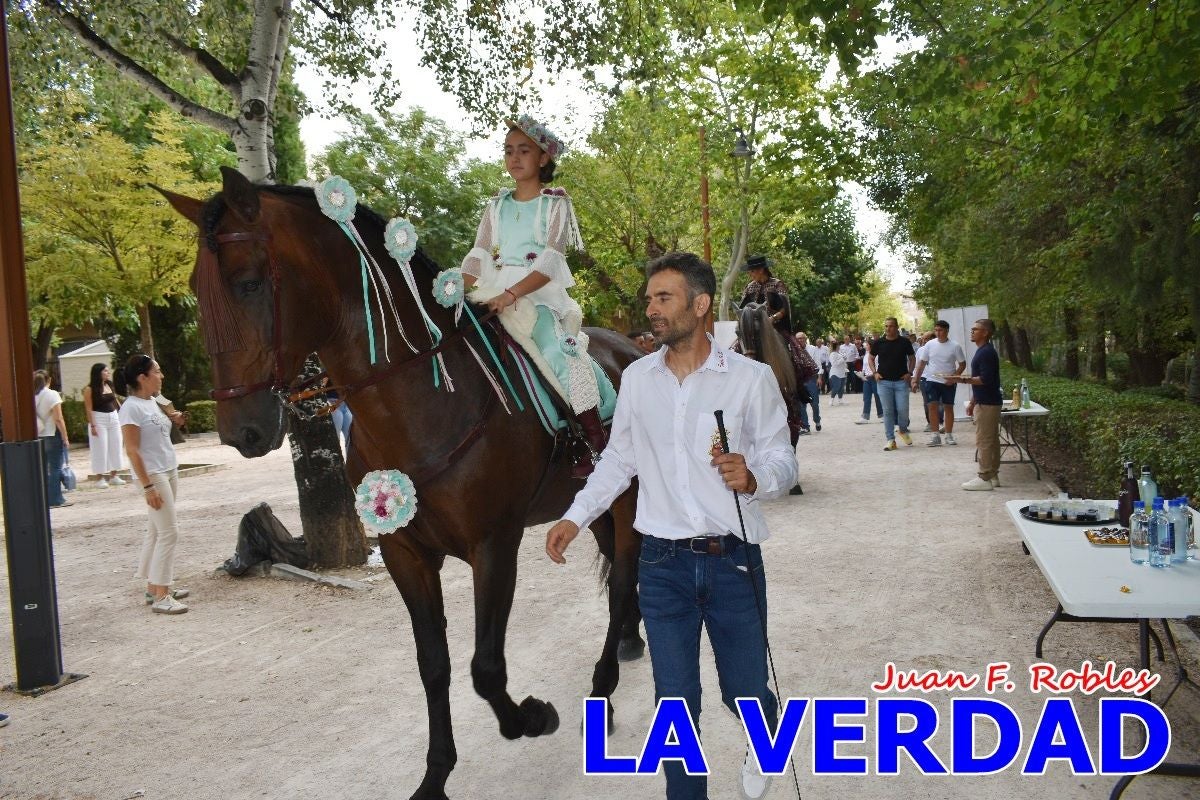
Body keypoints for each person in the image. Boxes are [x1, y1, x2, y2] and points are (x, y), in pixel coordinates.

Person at [546, 251, 797, 800]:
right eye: (650, 298)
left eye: (664, 298)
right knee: (675, 707)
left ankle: (766, 734)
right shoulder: (637, 379)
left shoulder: (750, 380)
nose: (651, 309)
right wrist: (574, 516)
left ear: (700, 305)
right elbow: (618, 460)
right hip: (661, 565)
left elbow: (783, 458)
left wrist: (754, 478)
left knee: (745, 694)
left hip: (733, 560)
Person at [459, 115, 607, 476]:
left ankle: (594, 440)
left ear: (543, 158)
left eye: (524, 150)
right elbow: (478, 255)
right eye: (509, 150)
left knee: (561, 353)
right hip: (494, 290)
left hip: (536, 294)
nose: (514, 158)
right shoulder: (496, 206)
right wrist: (456, 289)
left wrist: (511, 295)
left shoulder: (555, 204)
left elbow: (551, 262)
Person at [120, 355, 189, 614]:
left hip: (169, 469)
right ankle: (162, 596)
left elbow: (167, 421)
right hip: (153, 476)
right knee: (170, 532)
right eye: (157, 371)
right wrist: (147, 487)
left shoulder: (155, 401)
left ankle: (153, 588)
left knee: (157, 531)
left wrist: (177, 418)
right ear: (142, 377)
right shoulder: (130, 408)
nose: (162, 376)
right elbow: (132, 451)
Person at [952, 320, 1002, 490]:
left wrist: (960, 379)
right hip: (985, 400)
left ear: (986, 333)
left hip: (988, 403)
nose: (972, 332)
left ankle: (984, 477)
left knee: (984, 440)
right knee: (992, 440)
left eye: (975, 329)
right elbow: (982, 380)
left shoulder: (986, 352)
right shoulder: (983, 351)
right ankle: (993, 475)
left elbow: (985, 380)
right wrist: (973, 401)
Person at [912, 321, 965, 447]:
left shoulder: (955, 346)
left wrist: (953, 377)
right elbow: (922, 363)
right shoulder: (929, 345)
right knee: (932, 407)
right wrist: (915, 380)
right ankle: (935, 435)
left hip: (948, 382)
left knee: (948, 407)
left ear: (947, 331)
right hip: (931, 380)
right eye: (936, 330)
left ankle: (949, 434)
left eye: (940, 330)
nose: (938, 333)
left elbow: (962, 364)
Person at [871, 317, 916, 450]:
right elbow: (871, 358)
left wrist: (910, 372)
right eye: (886, 326)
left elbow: (912, 358)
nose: (888, 329)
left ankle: (902, 429)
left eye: (890, 326)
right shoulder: (879, 342)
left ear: (896, 327)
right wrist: (875, 373)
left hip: (901, 381)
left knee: (903, 410)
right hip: (883, 382)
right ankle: (891, 440)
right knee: (888, 411)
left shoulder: (904, 342)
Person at [83, 363, 125, 488]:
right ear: (98, 373)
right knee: (100, 448)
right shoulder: (89, 389)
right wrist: (92, 425)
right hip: (98, 418)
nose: (108, 373)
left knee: (116, 445)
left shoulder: (109, 384)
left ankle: (114, 475)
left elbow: (115, 400)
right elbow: (88, 408)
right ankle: (100, 478)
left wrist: (121, 412)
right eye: (105, 371)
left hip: (113, 417)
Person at [33, 370, 71, 508]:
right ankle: (55, 499)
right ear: (47, 380)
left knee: (42, 469)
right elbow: (58, 418)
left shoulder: (31, 395)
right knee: (55, 468)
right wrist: (65, 436)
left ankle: (42, 499)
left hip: (37, 434)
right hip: (52, 433)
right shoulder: (52, 394)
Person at [739, 255, 790, 336]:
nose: (749, 274)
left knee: (794, 347)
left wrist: (772, 318)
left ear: (761, 270)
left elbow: (784, 308)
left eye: (752, 271)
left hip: (777, 327)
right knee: (738, 347)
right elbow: (742, 310)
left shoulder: (777, 284)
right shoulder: (749, 287)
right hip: (753, 328)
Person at [793, 332, 822, 432]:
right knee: (801, 404)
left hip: (811, 379)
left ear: (805, 339)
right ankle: (805, 426)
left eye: (801, 338)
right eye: (798, 339)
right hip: (800, 380)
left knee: (814, 403)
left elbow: (818, 363)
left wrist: (819, 378)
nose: (800, 340)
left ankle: (817, 420)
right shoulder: (793, 351)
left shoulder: (812, 349)